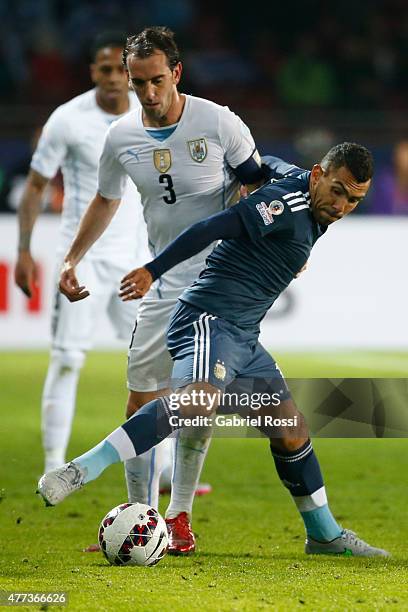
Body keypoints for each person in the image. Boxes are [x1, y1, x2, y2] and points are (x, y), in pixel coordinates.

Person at [38, 142, 390, 557]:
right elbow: (212, 228)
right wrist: (153, 270)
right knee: (197, 401)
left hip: (242, 336)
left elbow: (271, 163)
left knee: (291, 430)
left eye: (354, 199)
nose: (343, 205)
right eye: (338, 191)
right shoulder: (284, 204)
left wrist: (255, 174)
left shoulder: (300, 185)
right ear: (318, 175)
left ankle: (324, 536)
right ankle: (78, 471)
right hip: (209, 320)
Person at [38, 26, 268, 555]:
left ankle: (180, 516)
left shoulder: (218, 121)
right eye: (138, 82)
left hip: (221, 285)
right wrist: (72, 258)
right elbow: (104, 200)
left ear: (177, 73)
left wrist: (277, 247)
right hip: (164, 284)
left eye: (157, 80)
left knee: (195, 403)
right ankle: (140, 516)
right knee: (141, 400)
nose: (147, 93)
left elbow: (259, 184)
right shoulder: (121, 137)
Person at [14, 33, 150, 474]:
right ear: (93, 72)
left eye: (120, 70)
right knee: (69, 358)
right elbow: (36, 185)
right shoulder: (67, 119)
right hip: (82, 260)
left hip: (134, 262)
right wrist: (24, 251)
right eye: (104, 69)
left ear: (131, 74)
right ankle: (54, 462)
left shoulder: (150, 114)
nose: (113, 78)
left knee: (151, 364)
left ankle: (160, 466)